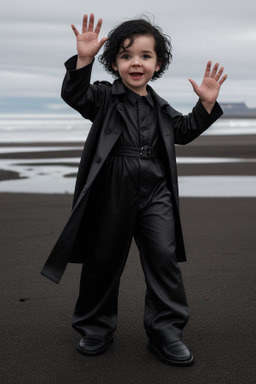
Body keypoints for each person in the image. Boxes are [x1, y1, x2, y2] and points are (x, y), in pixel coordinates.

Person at [41, 13, 227, 366]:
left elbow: (184, 131)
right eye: (126, 56)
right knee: (104, 258)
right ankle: (95, 327)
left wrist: (205, 105)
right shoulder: (103, 98)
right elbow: (75, 95)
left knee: (163, 258)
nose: (135, 63)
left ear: (158, 64)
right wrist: (83, 60)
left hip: (155, 187)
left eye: (145, 55)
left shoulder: (160, 106)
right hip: (112, 183)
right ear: (114, 63)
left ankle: (166, 332)